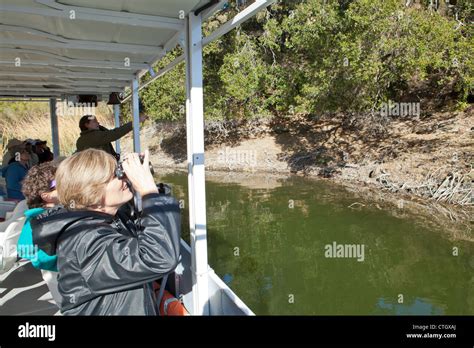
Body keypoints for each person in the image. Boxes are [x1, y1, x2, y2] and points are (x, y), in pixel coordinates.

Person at [30, 149, 181, 315]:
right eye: (116, 175)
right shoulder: (83, 240)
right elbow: (159, 258)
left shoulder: (109, 220)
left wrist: (153, 191)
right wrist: (149, 192)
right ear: (92, 190)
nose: (124, 178)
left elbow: (148, 233)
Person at [18, 161, 60, 271]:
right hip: (61, 275)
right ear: (46, 196)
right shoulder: (39, 221)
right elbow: (24, 248)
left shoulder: (58, 212)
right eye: (59, 184)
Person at [76, 113, 148, 159]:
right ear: (87, 125)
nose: (98, 122)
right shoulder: (93, 136)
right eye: (94, 121)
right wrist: (136, 121)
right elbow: (115, 134)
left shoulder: (81, 140)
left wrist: (99, 127)